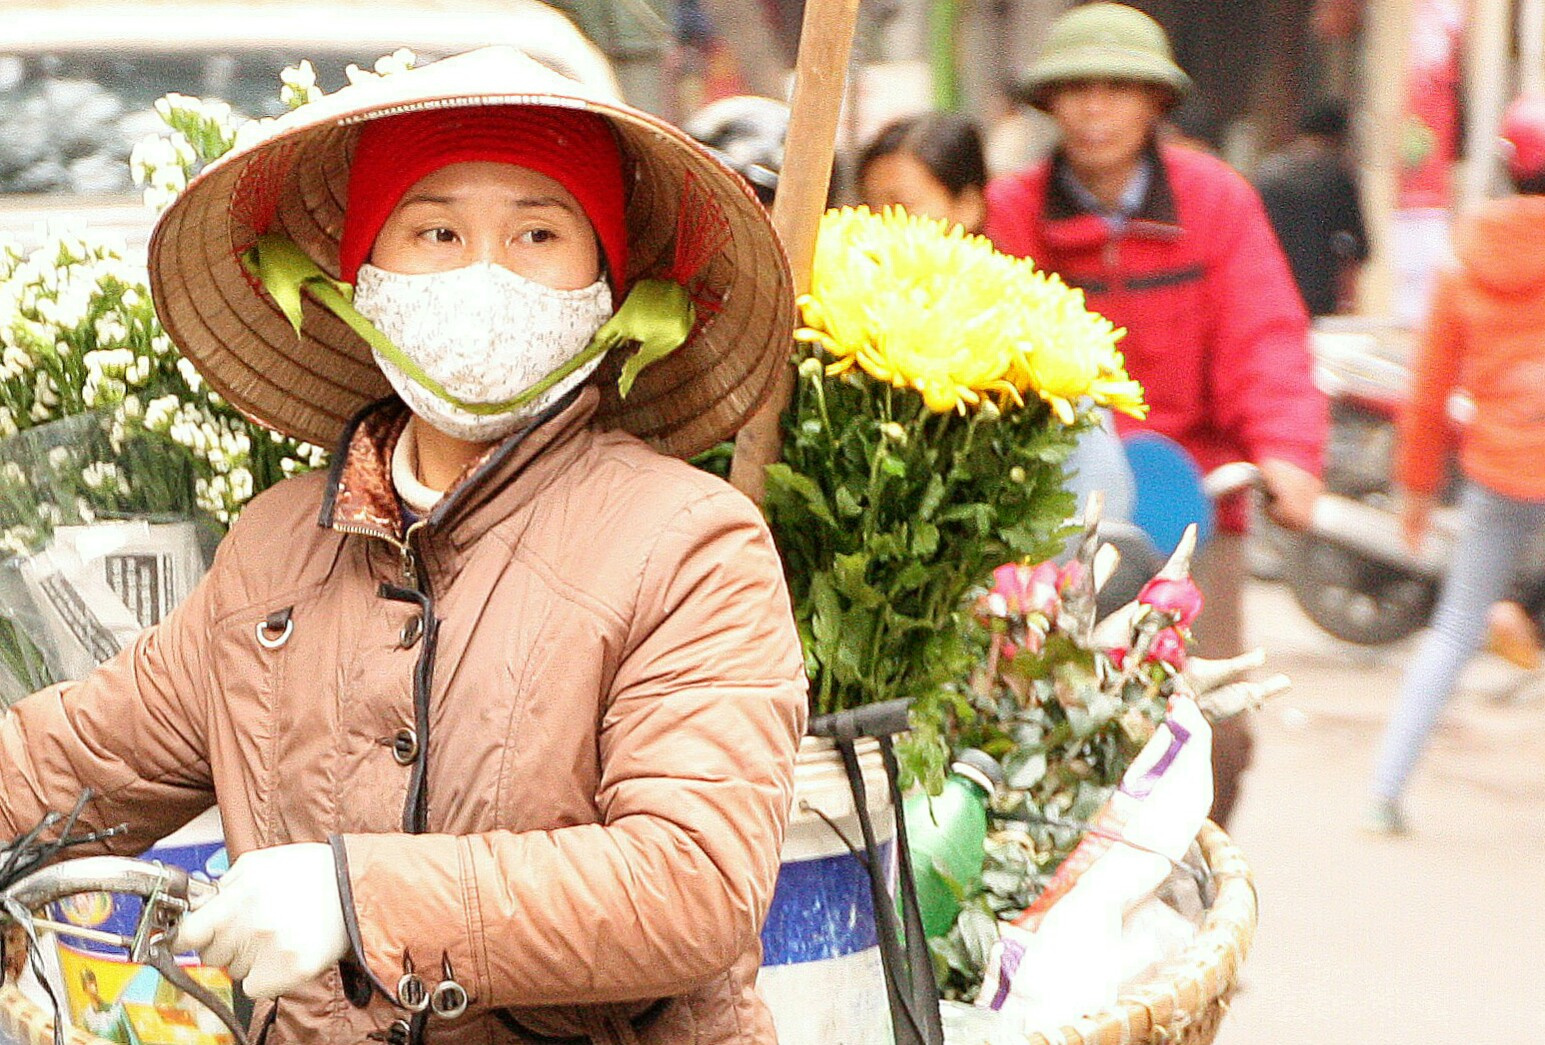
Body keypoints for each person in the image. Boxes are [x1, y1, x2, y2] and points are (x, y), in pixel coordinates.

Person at [0, 47, 807, 1045]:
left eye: (539, 232)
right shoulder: (278, 549)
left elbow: (692, 882)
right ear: (362, 280)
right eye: (436, 230)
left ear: (605, 286)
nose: (484, 272)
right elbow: (72, 765)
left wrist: (357, 897)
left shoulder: (690, 545)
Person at [984, 2, 1327, 827]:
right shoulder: (1011, 209)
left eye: (1117, 89)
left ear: (1155, 104)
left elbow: (1266, 336)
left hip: (1194, 505)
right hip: (1054, 503)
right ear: (1049, 106)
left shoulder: (1217, 202)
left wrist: (1286, 452)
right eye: (1075, 90)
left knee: (1215, 731)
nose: (1095, 108)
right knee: (1033, 726)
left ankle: (1193, 908)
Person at [1367, 93, 1545, 835]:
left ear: (1505, 167)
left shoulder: (1464, 256)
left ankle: (1384, 790)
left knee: (1453, 627)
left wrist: (1413, 489)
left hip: (1496, 466)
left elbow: (1429, 384)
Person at [1254, 99, 1370, 317]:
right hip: (1321, 296)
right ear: (1338, 137)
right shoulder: (1338, 177)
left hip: (1271, 289)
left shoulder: (1267, 175)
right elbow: (1359, 247)